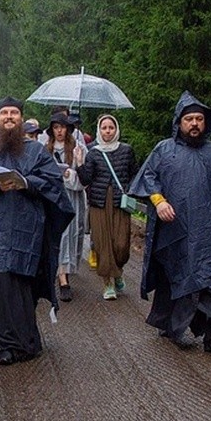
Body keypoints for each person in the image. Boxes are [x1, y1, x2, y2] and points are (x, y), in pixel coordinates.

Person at [0, 97, 73, 366]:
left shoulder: (36, 151)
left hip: (28, 228)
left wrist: (27, 183)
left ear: (21, 118)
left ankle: (27, 341)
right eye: (4, 113)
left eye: (14, 113)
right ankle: (8, 343)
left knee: (22, 283)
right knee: (0, 282)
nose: (9, 117)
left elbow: (53, 183)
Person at [129, 92, 211, 353]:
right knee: (179, 276)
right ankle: (174, 325)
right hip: (175, 231)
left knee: (210, 278)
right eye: (189, 118)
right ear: (179, 122)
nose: (194, 124)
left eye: (199, 119)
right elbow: (147, 179)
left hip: (209, 232)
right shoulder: (163, 150)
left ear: (206, 122)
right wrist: (159, 202)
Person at [76, 114, 138, 300]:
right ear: (99, 131)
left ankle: (117, 270)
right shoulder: (93, 152)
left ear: (116, 129)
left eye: (111, 127)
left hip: (120, 202)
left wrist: (129, 190)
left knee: (121, 245)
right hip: (99, 202)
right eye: (104, 128)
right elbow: (86, 179)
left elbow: (135, 174)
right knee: (103, 244)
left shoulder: (127, 150)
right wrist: (80, 163)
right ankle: (108, 283)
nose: (108, 131)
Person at [44, 114, 87, 301]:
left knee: (71, 235)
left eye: (62, 127)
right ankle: (62, 280)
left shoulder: (76, 148)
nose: (59, 131)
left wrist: (75, 168)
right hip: (53, 198)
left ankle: (65, 272)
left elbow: (83, 180)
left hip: (71, 198)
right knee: (58, 236)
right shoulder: (46, 150)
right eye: (56, 127)